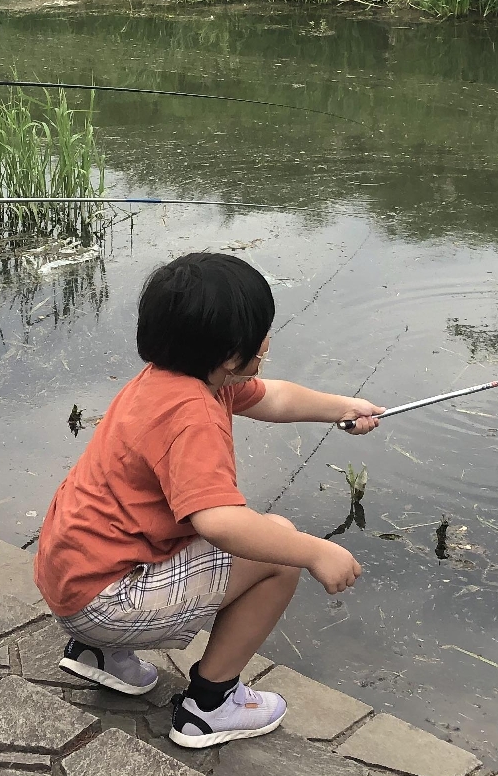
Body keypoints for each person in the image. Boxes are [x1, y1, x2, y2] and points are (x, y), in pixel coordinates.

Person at [34, 252, 383, 748]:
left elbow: (274, 398)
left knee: (206, 533)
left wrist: (343, 408)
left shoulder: (169, 379)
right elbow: (218, 520)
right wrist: (315, 550)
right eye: (261, 333)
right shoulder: (192, 416)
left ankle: (98, 655)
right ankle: (210, 704)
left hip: (72, 572)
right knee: (277, 551)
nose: (267, 343)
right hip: (106, 599)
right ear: (228, 355)